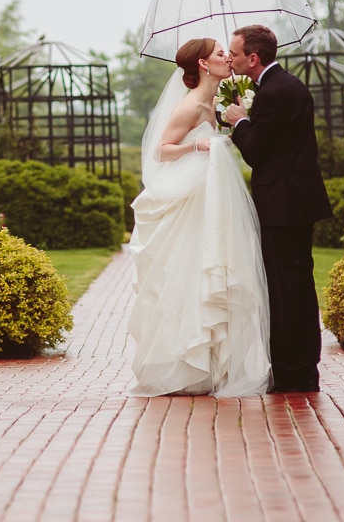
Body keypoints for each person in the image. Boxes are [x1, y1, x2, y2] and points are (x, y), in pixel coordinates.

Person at [126, 37, 271, 397]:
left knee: (211, 269)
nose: (228, 59)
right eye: (222, 54)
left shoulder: (215, 105)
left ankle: (208, 366)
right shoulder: (189, 106)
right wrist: (198, 145)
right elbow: (161, 150)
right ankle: (182, 366)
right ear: (204, 64)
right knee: (190, 273)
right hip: (191, 199)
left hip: (213, 198)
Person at [224, 24, 332, 393]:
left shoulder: (271, 94)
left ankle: (289, 371)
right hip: (300, 201)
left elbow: (256, 152)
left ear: (253, 58)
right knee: (300, 286)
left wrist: (239, 123)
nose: (231, 59)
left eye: (235, 54)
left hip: (281, 206)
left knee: (283, 289)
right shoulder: (292, 85)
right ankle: (304, 368)